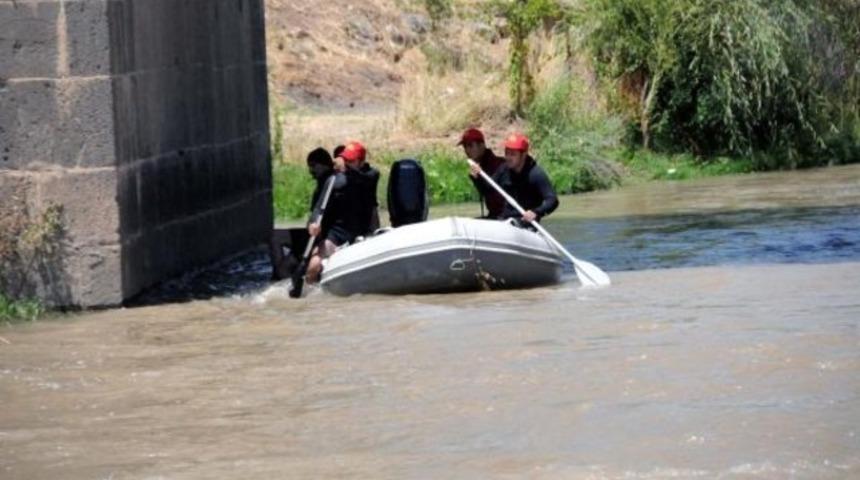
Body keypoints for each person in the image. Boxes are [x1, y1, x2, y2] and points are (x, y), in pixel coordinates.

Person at [305, 141, 379, 283]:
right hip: (338, 234)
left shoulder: (371, 176)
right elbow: (318, 208)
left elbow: (366, 178)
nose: (346, 162)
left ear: (362, 161)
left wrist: (347, 170)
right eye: (345, 159)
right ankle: (308, 292)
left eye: (351, 160)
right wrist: (313, 223)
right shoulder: (334, 181)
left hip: (361, 232)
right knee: (314, 263)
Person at [269, 147, 335, 280]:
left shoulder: (331, 182)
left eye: (313, 166)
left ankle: (281, 276)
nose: (310, 171)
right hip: (313, 232)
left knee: (276, 239)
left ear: (324, 165)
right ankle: (281, 273)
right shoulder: (325, 182)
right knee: (275, 237)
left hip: (318, 234)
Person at [469, 133, 559, 224]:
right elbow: (487, 190)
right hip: (505, 219)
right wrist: (477, 178)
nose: (508, 157)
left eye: (512, 154)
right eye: (507, 153)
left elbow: (552, 200)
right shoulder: (504, 169)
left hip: (525, 223)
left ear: (523, 155)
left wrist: (536, 212)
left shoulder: (535, 174)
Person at [459, 128, 506, 218]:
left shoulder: (498, 165)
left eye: (469, 145)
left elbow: (494, 192)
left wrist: (479, 178)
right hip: (494, 215)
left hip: (505, 216)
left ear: (481, 145)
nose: (466, 150)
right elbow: (486, 193)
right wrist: (476, 179)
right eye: (465, 147)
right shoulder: (481, 167)